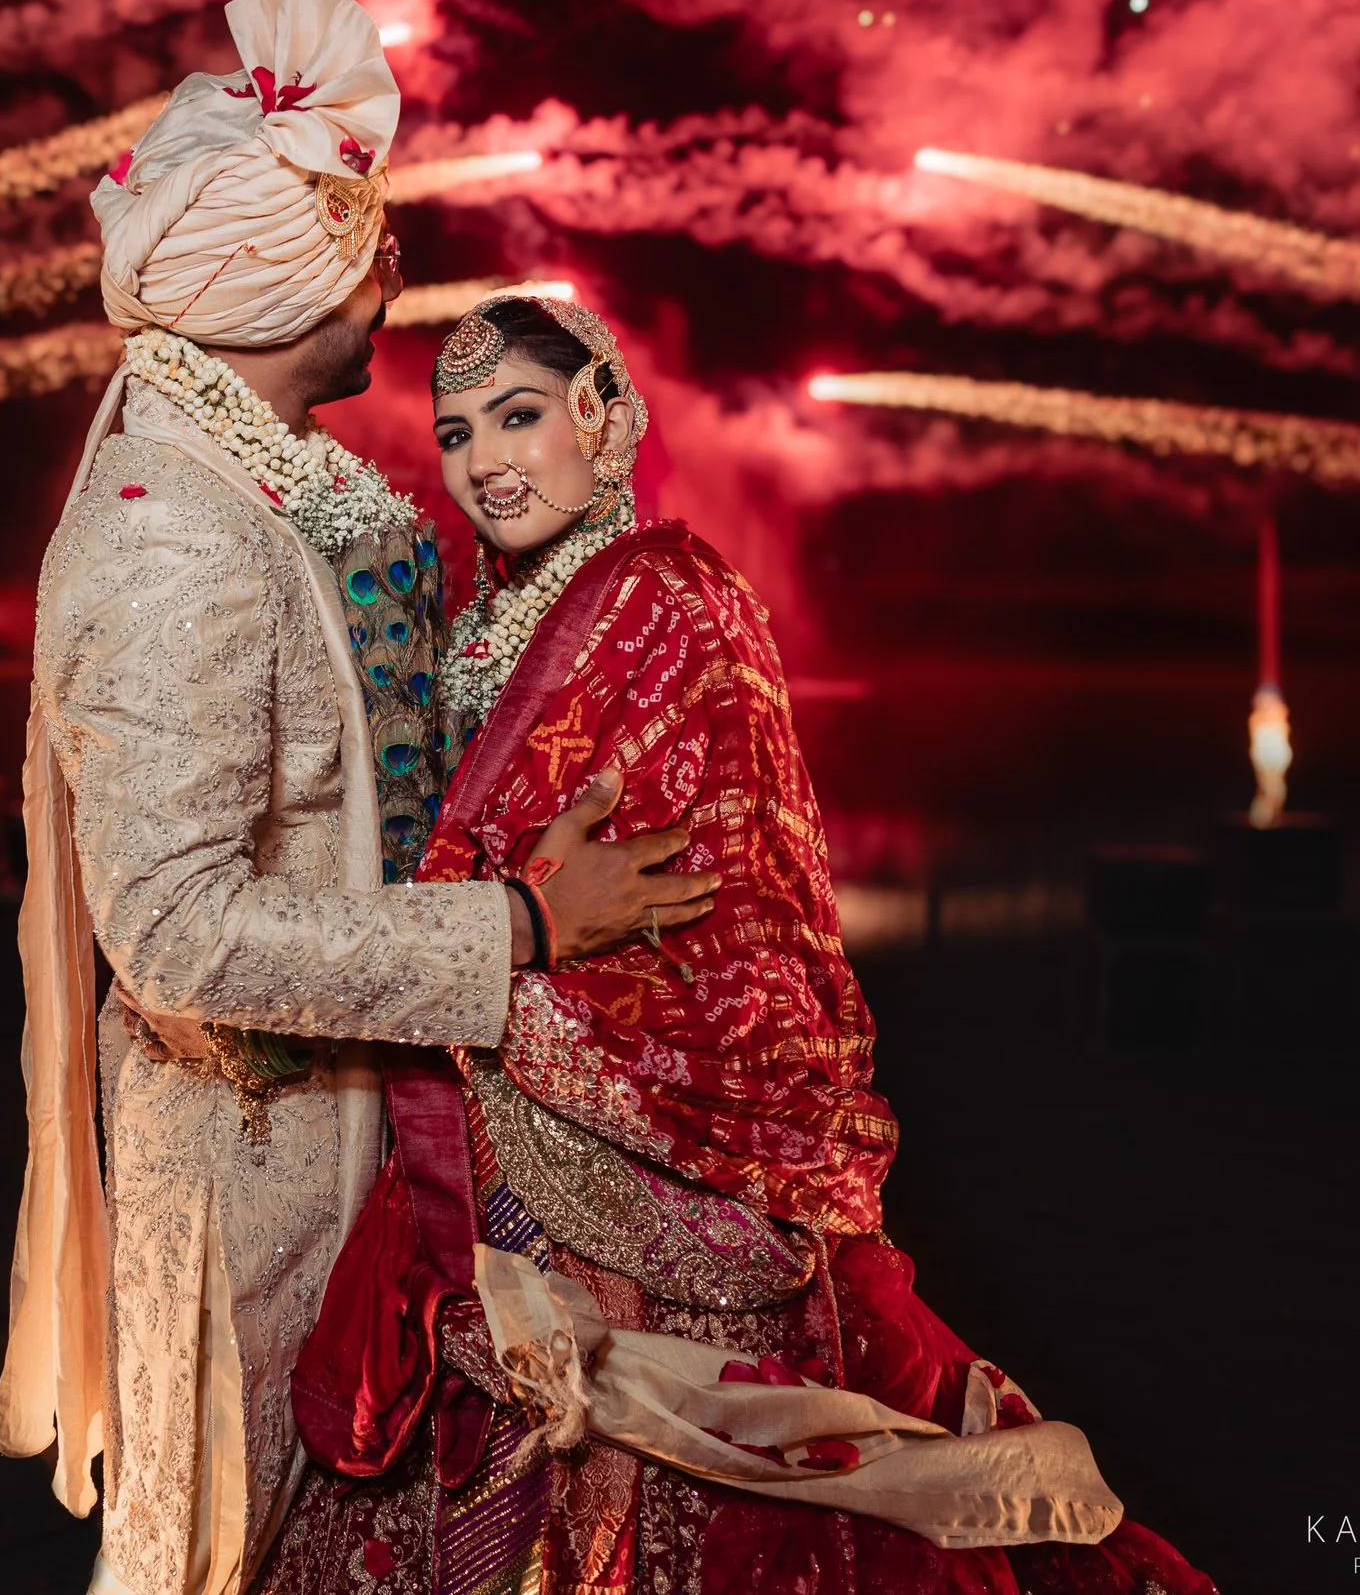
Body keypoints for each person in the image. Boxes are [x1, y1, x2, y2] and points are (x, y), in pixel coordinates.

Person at [262, 296, 1217, 1595]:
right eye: (459, 428)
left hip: (650, 1139)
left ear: (604, 414)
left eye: (521, 414)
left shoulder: (670, 595)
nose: (486, 455)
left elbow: (733, 900)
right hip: (508, 1144)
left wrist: (488, 957)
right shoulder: (493, 630)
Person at [0, 0, 713, 1595]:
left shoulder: (259, 485)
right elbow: (174, 936)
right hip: (256, 1195)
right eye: (355, 235)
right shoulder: (176, 535)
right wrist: (518, 925)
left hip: (350, 1161)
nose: (391, 268)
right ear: (270, 278)